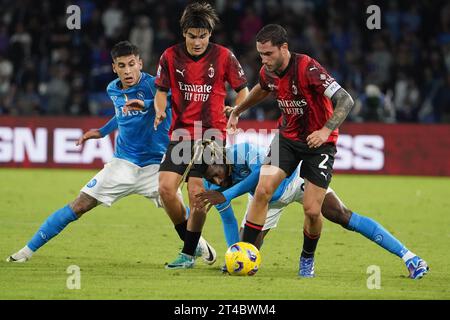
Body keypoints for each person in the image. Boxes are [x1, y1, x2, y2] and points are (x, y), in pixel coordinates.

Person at [6, 41, 214, 264]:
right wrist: (102, 131)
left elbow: (177, 99)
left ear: (140, 64)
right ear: (114, 67)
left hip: (157, 166)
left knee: (178, 213)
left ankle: (198, 246)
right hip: (122, 163)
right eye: (121, 65)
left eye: (132, 64)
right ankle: (25, 252)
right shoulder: (112, 89)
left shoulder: (155, 85)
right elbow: (122, 115)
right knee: (80, 204)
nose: (127, 70)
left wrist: (146, 104)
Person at [227, 24, 355, 277]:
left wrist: (325, 131)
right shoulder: (269, 71)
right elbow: (262, 88)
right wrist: (238, 110)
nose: (264, 60)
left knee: (311, 209)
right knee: (263, 189)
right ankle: (246, 253)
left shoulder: (308, 68)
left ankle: (307, 257)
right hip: (286, 139)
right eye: (260, 54)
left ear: (284, 48)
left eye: (268, 54)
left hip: (319, 144)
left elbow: (346, 99)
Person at [196, 142, 429, 280]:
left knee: (341, 215)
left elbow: (262, 176)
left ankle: (410, 257)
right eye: (210, 178)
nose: (216, 179)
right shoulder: (213, 186)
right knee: (247, 255)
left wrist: (226, 194)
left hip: (296, 182)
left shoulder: (244, 150)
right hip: (266, 203)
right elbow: (227, 220)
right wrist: (233, 254)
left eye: (216, 172)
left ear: (221, 157)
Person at [152, 2, 249, 269]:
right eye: (193, 36)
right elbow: (161, 90)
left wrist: (236, 111)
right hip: (181, 132)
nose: (197, 42)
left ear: (210, 34)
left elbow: (243, 90)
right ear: (184, 32)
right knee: (165, 190)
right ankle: (192, 244)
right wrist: (160, 111)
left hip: (211, 135)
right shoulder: (169, 57)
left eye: (203, 36)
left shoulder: (224, 56)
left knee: (197, 196)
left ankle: (187, 254)